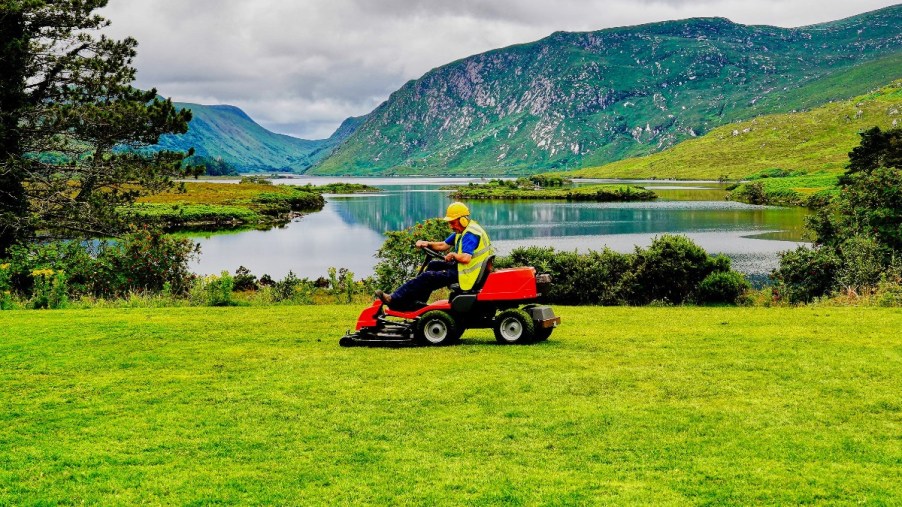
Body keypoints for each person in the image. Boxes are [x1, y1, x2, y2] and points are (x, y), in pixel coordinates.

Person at [375, 202, 493, 309]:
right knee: (433, 265)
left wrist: (453, 255)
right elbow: (443, 245)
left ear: (462, 220)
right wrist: (427, 243)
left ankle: (394, 298)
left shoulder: (470, 234)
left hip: (468, 274)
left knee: (427, 276)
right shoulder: (462, 231)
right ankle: (418, 303)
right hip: (464, 270)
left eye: (452, 222)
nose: (451, 226)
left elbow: (466, 258)